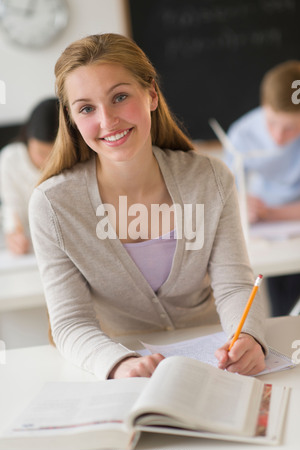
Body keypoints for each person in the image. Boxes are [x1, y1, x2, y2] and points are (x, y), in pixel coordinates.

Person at [29, 33, 266, 380]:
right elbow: (70, 322)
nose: (107, 121)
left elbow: (234, 285)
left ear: (151, 94)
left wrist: (246, 338)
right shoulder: (52, 205)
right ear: (73, 119)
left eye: (120, 97)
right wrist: (120, 364)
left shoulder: (210, 178)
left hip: (216, 365)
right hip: (123, 373)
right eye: (86, 108)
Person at [225, 61, 300, 317]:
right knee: (284, 303)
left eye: (291, 128)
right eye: (272, 123)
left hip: (277, 217)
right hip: (269, 226)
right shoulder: (242, 134)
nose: (279, 137)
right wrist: (242, 204)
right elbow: (227, 196)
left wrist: (270, 213)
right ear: (263, 107)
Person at [0, 98, 59, 255]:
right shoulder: (11, 158)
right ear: (28, 138)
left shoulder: (73, 161)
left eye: (54, 154)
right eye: (40, 153)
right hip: (33, 250)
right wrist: (14, 233)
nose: (47, 162)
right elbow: (12, 206)